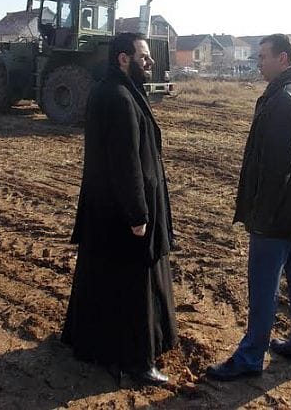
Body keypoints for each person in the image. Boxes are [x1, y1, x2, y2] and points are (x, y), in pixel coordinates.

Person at [206, 33, 291, 381]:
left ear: (284, 59)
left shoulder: (285, 99)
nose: (258, 62)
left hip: (276, 217)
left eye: (263, 56)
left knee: (263, 285)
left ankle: (249, 356)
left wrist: (261, 216)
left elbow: (277, 166)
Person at [62, 32, 177, 386]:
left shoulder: (112, 90)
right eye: (144, 56)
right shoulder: (119, 98)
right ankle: (137, 361)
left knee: (103, 279)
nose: (151, 61)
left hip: (105, 209)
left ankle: (95, 344)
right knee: (133, 285)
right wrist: (138, 215)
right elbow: (126, 164)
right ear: (123, 59)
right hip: (121, 211)